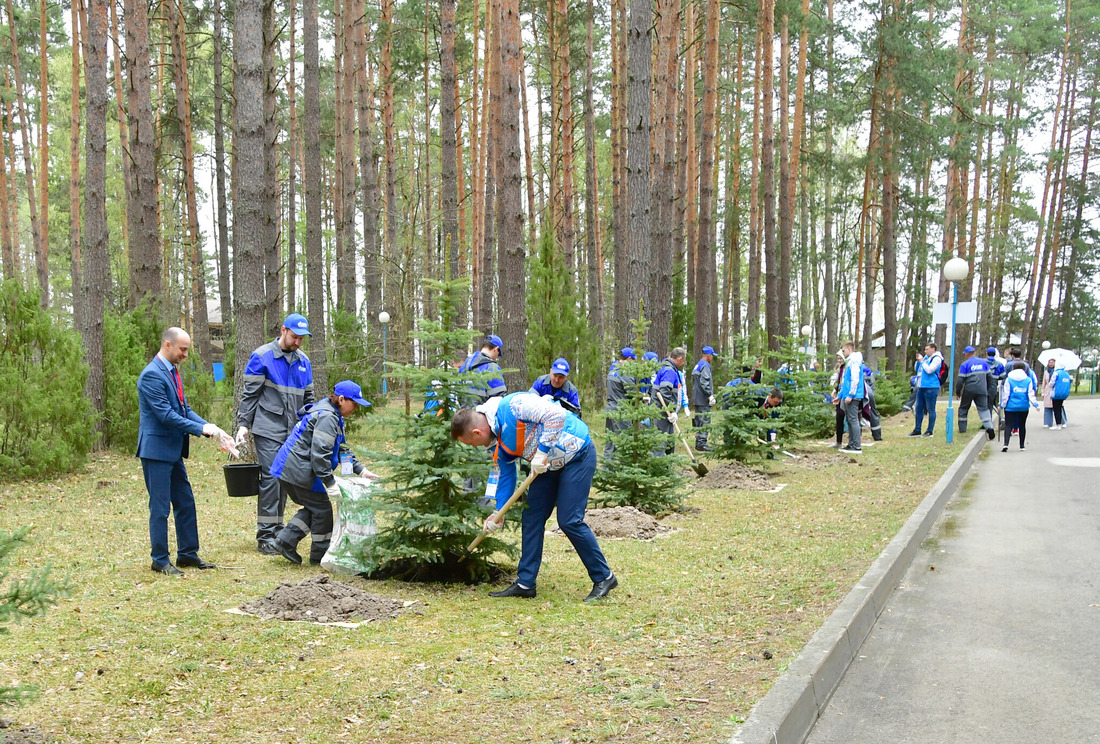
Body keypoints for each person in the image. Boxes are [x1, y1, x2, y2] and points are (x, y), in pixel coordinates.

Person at [450, 393, 617, 602]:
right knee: (532, 518)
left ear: (476, 431)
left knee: (569, 520)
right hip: (547, 467)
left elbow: (556, 415)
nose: (476, 447)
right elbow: (506, 474)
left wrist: (542, 451)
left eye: (472, 443)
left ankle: (604, 577)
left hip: (577, 455)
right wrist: (498, 512)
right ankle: (525, 583)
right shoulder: (496, 440)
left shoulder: (514, 406)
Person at [137, 328, 230, 575]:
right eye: (183, 349)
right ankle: (160, 560)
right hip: (156, 451)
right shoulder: (152, 376)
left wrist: (212, 427)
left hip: (173, 450)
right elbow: (166, 416)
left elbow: (184, 409)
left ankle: (187, 554)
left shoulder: (172, 372)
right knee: (160, 507)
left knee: (185, 501)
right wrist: (202, 429)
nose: (185, 355)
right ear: (167, 345)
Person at [269, 380, 375, 565]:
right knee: (322, 510)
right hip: (296, 470)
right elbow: (319, 456)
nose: (356, 408)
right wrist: (330, 482)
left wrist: (361, 470)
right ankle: (319, 556)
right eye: (355, 403)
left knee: (315, 507)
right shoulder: (328, 417)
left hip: (289, 468)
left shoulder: (332, 413)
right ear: (342, 399)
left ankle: (285, 541)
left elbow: (340, 448)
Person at [235, 313, 315, 554]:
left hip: (294, 431)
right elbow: (250, 395)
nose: (298, 342)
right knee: (271, 478)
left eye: (302, 338)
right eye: (294, 337)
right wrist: (243, 425)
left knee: (284, 478)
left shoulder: (304, 362)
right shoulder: (262, 357)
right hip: (268, 428)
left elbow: (309, 399)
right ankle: (266, 536)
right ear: (283, 330)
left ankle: (278, 530)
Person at [954, 345, 996, 440]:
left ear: (967, 354)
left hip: (969, 389)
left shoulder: (965, 364)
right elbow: (990, 378)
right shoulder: (984, 363)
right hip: (982, 389)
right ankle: (989, 427)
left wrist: (958, 392)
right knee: (984, 409)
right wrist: (987, 389)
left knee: (963, 408)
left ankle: (962, 428)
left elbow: (960, 380)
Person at [653, 348, 688, 453]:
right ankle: (659, 466)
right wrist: (671, 411)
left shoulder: (669, 369)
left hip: (664, 411)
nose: (683, 363)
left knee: (669, 441)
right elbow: (664, 391)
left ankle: (667, 466)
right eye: (684, 360)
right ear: (680, 358)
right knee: (661, 441)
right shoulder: (669, 371)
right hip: (661, 411)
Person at [604, 348, 637, 456]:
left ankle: (607, 469)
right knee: (625, 443)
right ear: (629, 359)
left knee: (610, 443)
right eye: (633, 360)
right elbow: (632, 392)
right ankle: (625, 470)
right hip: (621, 411)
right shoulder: (625, 372)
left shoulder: (613, 369)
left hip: (610, 408)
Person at [458, 334, 507, 406]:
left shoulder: (464, 366)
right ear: (496, 349)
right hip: (481, 416)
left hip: (463, 414)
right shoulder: (493, 368)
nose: (496, 357)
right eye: (498, 354)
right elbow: (499, 399)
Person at [1001, 361, 1039, 452]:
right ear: (1024, 369)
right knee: (1022, 425)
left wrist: (1002, 405)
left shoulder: (1009, 379)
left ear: (1013, 369)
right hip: (1023, 406)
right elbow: (1030, 394)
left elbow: (1006, 394)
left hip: (1010, 407)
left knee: (1008, 425)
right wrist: (1036, 404)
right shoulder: (1028, 380)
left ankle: (1005, 444)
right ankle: (1022, 446)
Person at [908, 342, 944, 437]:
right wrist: (919, 361)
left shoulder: (937, 358)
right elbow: (919, 370)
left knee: (930, 409)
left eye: (927, 349)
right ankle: (917, 429)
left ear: (933, 349)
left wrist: (923, 361)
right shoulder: (926, 358)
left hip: (931, 387)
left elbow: (929, 370)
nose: (925, 351)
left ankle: (929, 430)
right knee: (919, 408)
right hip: (922, 386)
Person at [837, 341, 865, 453]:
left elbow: (855, 380)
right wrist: (840, 396)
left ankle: (856, 445)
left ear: (849, 349)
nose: (843, 353)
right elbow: (846, 382)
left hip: (854, 395)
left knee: (853, 419)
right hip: (848, 394)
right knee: (849, 419)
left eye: (843, 350)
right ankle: (851, 443)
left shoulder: (854, 361)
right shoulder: (850, 362)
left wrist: (850, 395)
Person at [691, 345, 716, 451]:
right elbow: (704, 382)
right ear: (709, 356)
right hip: (703, 398)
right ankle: (701, 443)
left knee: (699, 420)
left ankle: (698, 442)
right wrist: (710, 395)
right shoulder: (705, 366)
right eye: (712, 356)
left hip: (697, 397)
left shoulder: (698, 365)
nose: (713, 358)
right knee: (704, 420)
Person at [861, 362, 883, 442]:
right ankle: (877, 435)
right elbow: (872, 382)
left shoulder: (853, 368)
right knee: (873, 413)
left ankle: (856, 437)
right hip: (869, 392)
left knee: (855, 415)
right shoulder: (868, 370)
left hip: (861, 393)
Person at [985, 347, 1006, 427]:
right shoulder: (999, 364)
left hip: (983, 385)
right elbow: (1003, 376)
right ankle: (990, 422)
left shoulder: (983, 363)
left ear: (987, 353)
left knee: (983, 405)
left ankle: (985, 422)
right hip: (993, 385)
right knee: (990, 405)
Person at [1050, 363, 1072, 429]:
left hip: (1056, 393)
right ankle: (1061, 423)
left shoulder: (1056, 373)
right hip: (1064, 393)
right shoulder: (1066, 374)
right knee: (1060, 407)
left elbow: (1052, 382)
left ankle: (1058, 424)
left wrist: (1050, 385)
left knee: (1056, 408)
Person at [1041, 358, 1057, 428]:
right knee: (1047, 407)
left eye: (1052, 362)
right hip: (1047, 390)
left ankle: (1060, 421)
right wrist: (1043, 392)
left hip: (1055, 389)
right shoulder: (1046, 372)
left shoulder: (1057, 372)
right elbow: (1044, 383)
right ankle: (1047, 422)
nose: (1051, 364)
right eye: (1050, 362)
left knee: (1057, 407)